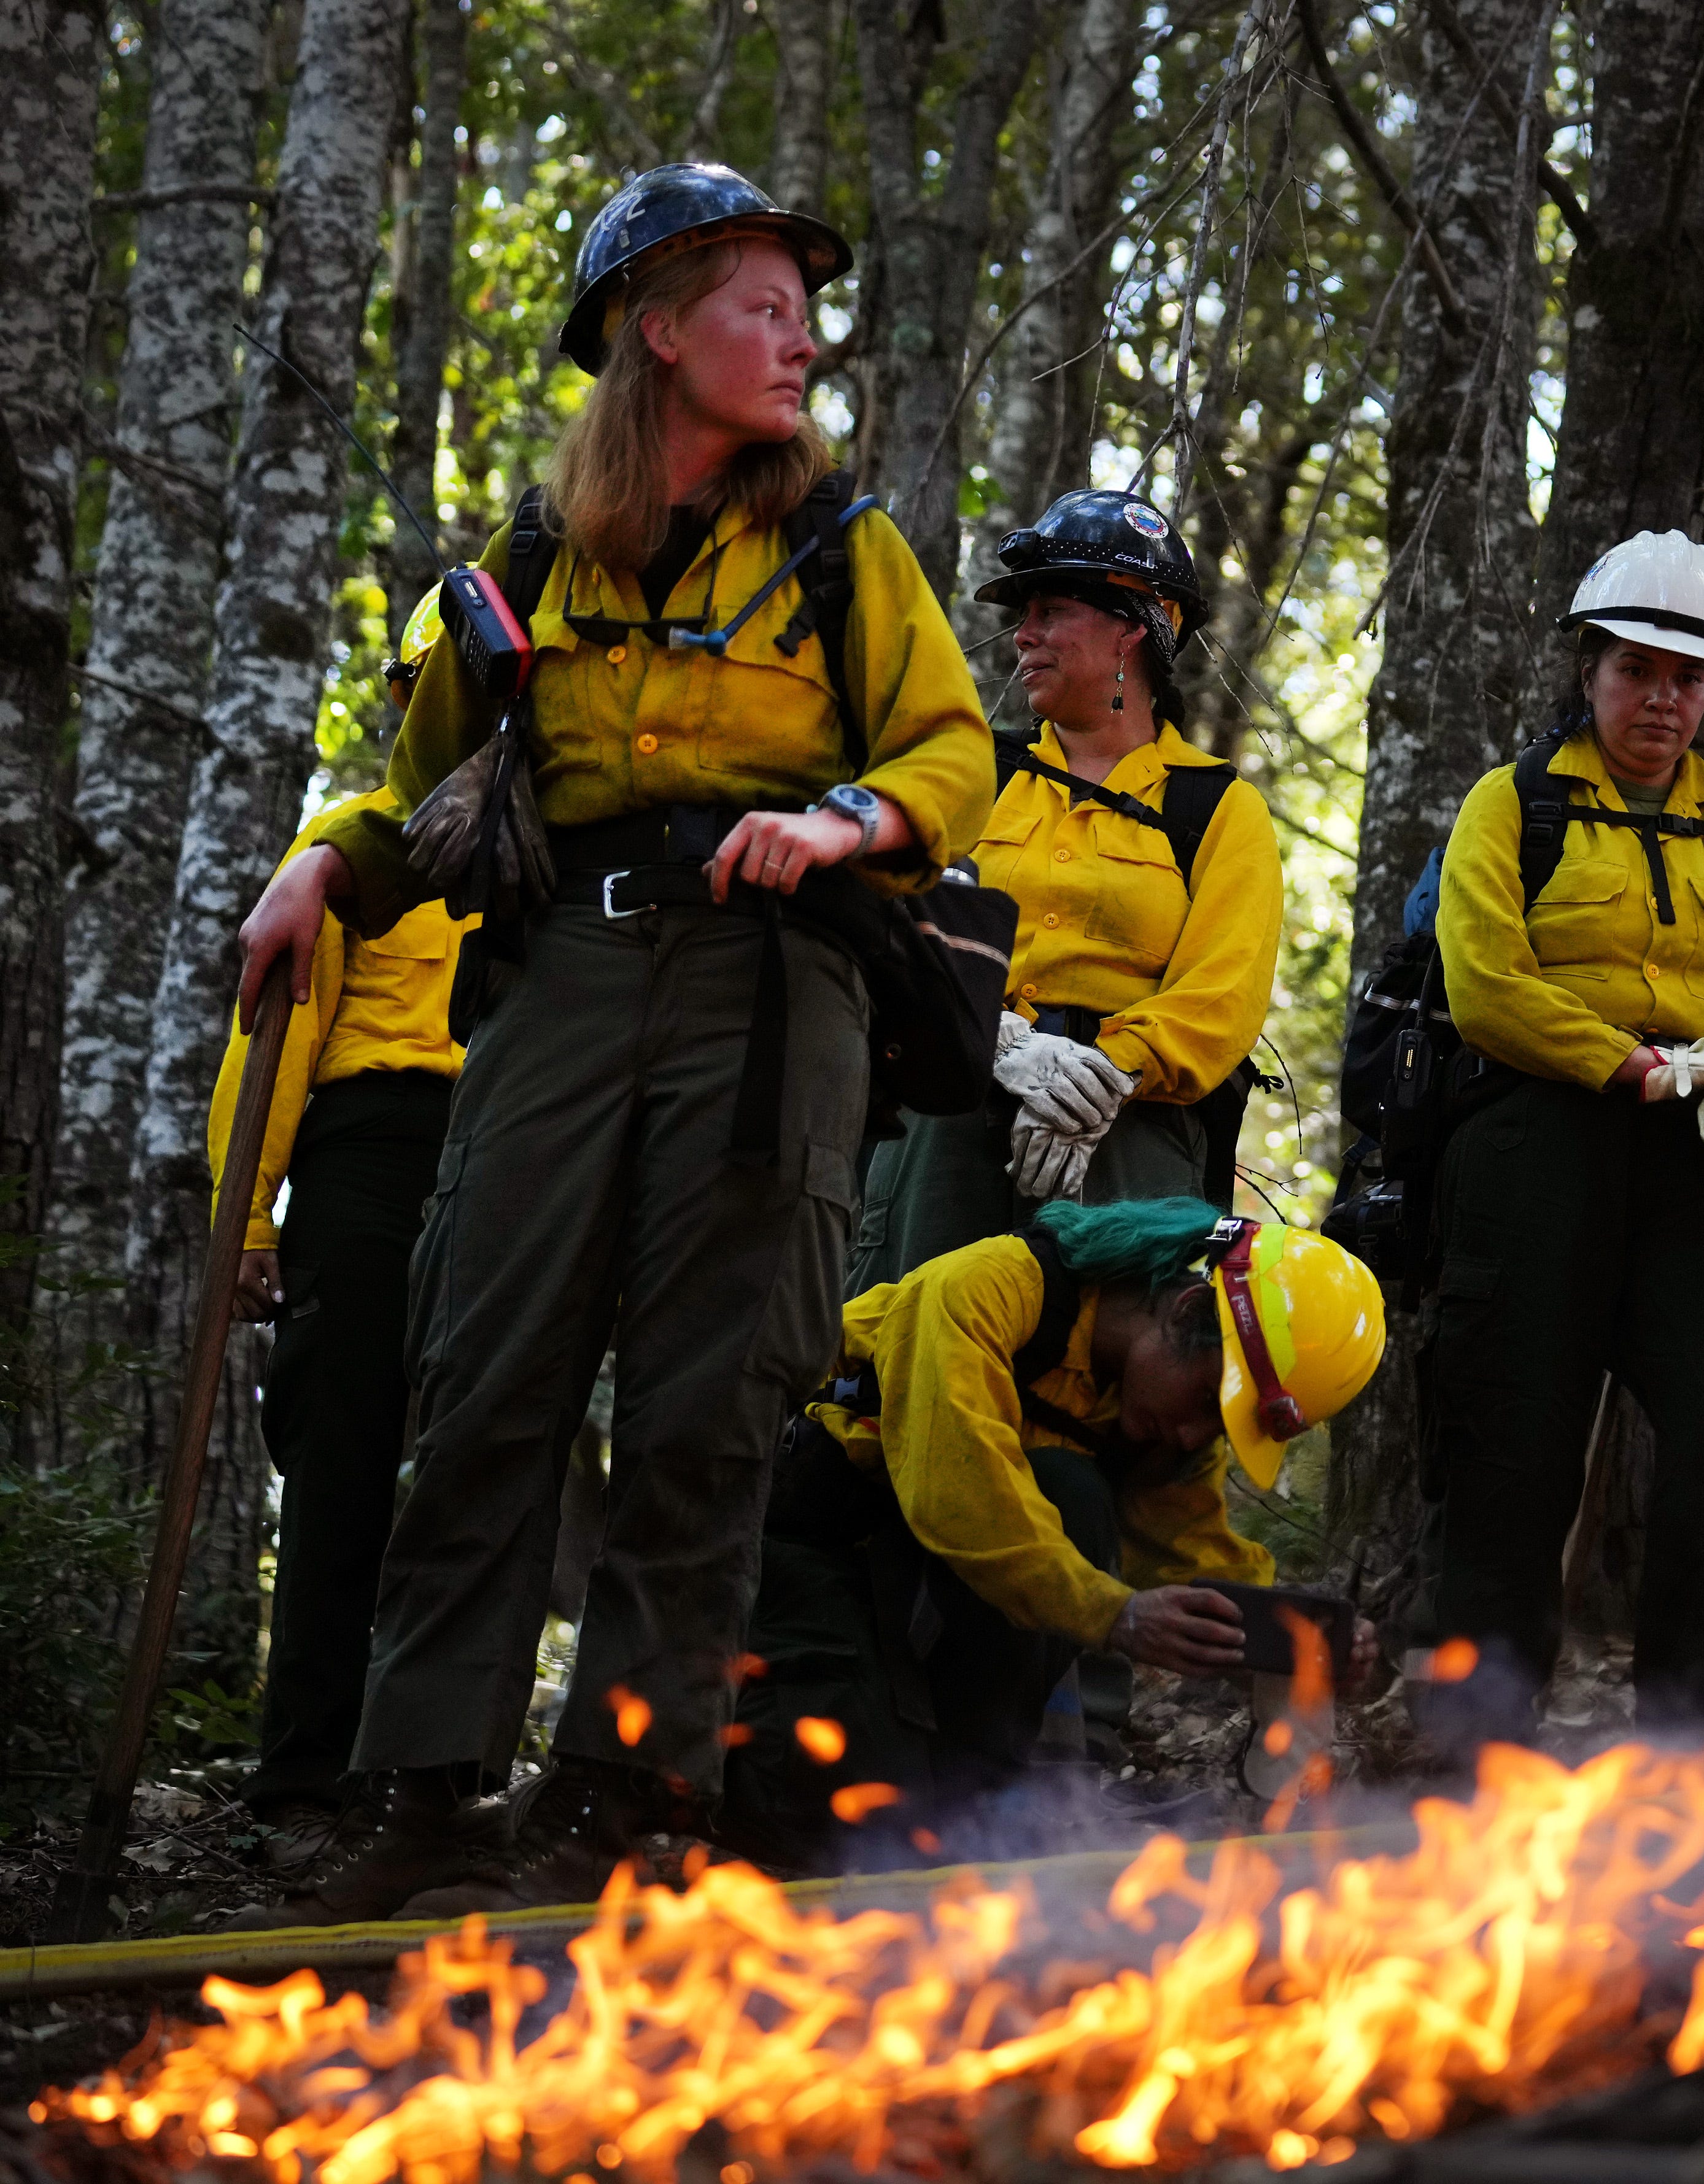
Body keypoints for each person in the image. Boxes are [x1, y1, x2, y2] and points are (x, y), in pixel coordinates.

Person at [228, 160, 994, 1925]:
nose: (801, 339)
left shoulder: (843, 547)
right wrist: (315, 862)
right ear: (654, 328)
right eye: (760, 307)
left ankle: (630, 1788)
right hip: (562, 977)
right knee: (486, 1366)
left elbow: (952, 747)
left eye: (808, 311)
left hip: (771, 996)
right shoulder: (523, 561)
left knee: (712, 1403)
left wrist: (849, 818)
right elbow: (421, 778)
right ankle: (428, 1783)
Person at [1419, 531, 1704, 1750]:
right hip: (1536, 1146)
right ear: (1589, 669)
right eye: (1639, 671)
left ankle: (1697, 1745)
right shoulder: (1514, 803)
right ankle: (1476, 1752)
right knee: (1509, 1455)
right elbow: (1485, 985)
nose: (1664, 701)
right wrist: (1644, 1067)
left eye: (1689, 680)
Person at [721, 1202, 1385, 1869]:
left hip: (916, 1578)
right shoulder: (986, 1289)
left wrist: (1295, 1639)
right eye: (1208, 1406)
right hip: (804, 1548)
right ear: (1185, 1312)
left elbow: (1191, 1556)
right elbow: (963, 1497)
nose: (1193, 1438)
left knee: (1071, 1494)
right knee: (846, 1817)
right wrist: (1115, 1615)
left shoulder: (1156, 1413)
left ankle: (980, 1787)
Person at [846, 487, 1282, 1291]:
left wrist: (1103, 1073)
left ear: (1132, 626)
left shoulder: (1216, 807)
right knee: (902, 1353)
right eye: (1024, 613)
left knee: (1097, 1385)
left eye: (1051, 610)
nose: (1025, 635)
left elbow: (1222, 995)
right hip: (951, 1109)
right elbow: (894, 925)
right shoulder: (978, 772)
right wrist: (1009, 1043)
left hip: (1129, 1136)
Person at [214, 588, 478, 1864]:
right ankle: (303, 1780)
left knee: (484, 1452)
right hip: (366, 1159)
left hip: (501, 1159)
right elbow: (269, 1047)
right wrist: (246, 1227)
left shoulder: (536, 851)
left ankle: (438, 1771)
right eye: (425, 690)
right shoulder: (342, 851)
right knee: (343, 1458)